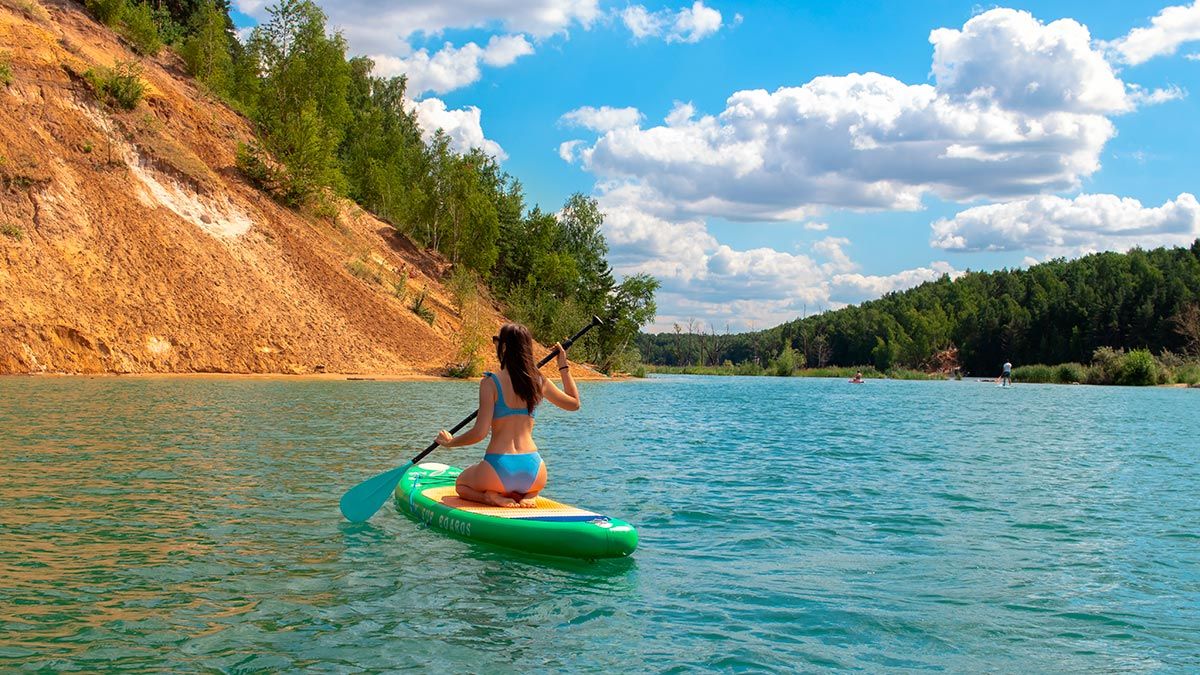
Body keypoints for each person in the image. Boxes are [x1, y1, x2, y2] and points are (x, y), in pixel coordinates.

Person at [433, 323, 581, 508]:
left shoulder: (490, 383)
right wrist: (563, 365)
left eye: (497, 341)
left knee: (461, 484)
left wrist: (450, 442)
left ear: (503, 347)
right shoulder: (538, 381)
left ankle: (490, 497)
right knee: (523, 484)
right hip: (534, 470)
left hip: (498, 469)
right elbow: (574, 404)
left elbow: (479, 433)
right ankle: (529, 495)